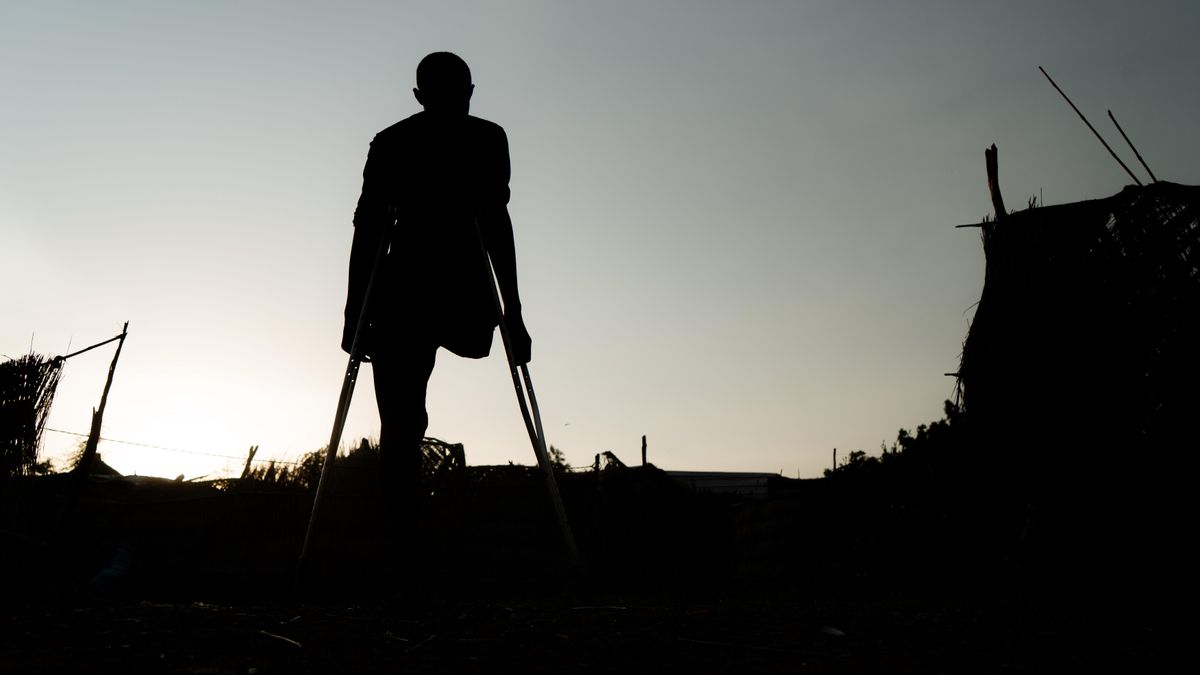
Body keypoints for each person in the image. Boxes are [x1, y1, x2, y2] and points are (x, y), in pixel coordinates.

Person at [342, 52, 532, 582]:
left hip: (452, 290)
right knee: (402, 425)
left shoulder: (481, 140)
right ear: (423, 97)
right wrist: (355, 312)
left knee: (401, 425)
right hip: (407, 291)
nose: (457, 103)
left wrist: (513, 314)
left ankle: (410, 561)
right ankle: (408, 562)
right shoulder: (397, 142)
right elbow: (367, 229)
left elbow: (496, 221)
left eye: (460, 93)